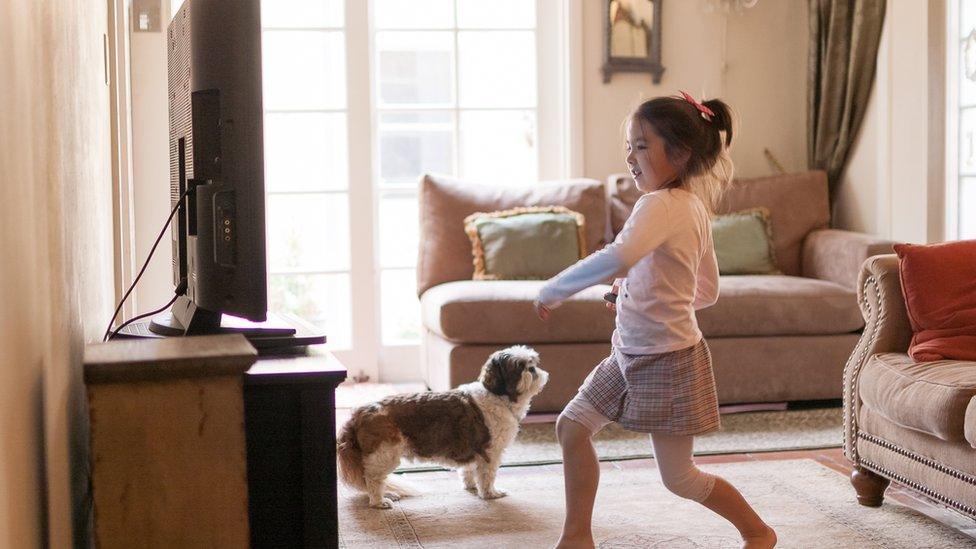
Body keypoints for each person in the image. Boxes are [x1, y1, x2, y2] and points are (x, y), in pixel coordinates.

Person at [534, 92, 777, 549]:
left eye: (642, 146)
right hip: (628, 353)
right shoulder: (692, 207)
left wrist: (554, 289)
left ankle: (758, 532)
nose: (630, 156)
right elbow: (704, 289)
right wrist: (632, 293)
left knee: (680, 478)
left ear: (681, 153)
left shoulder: (660, 205)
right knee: (572, 427)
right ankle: (577, 537)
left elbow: (620, 255)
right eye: (629, 146)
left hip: (668, 362)